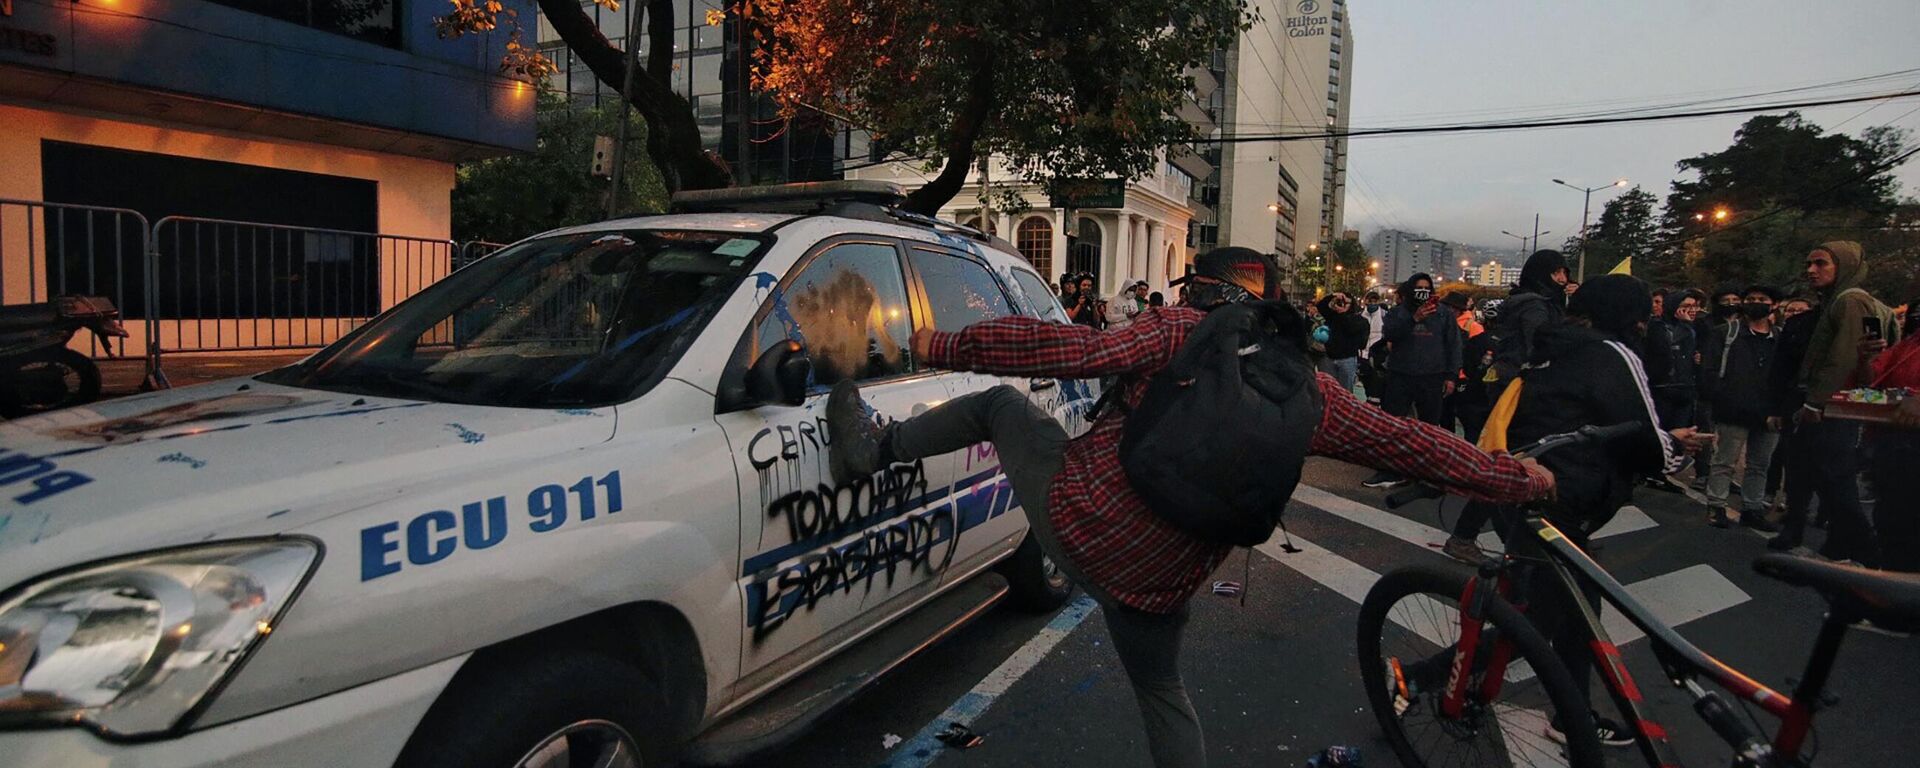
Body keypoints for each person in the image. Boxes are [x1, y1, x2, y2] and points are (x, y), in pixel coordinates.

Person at [825, 247, 1555, 768]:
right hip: (1157, 585)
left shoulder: (1178, 332)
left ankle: (872, 449)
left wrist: (943, 340)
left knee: (998, 407)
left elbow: (1065, 349)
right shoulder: (1316, 394)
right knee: (1163, 693)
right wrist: (1516, 477)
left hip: (1079, 524)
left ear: (1205, 294)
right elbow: (1413, 444)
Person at [1404, 275, 1705, 749]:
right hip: (1561, 497)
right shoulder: (1613, 352)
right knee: (1548, 614)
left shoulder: (1549, 347)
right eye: (1644, 313)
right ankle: (1420, 676)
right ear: (1627, 314)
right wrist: (1676, 450)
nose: (1649, 321)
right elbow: (1643, 434)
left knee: (1572, 609)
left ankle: (1572, 712)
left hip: (1526, 486)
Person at [1773, 242, 1900, 563]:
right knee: (1807, 472)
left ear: (1842, 266)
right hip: (1825, 403)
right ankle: (1823, 537)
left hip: (1832, 407)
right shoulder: (1836, 302)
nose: (1811, 270)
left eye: (1821, 264)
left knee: (1836, 480)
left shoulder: (1851, 300)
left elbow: (1842, 358)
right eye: (1809, 263)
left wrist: (1816, 403)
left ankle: (1866, 550)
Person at [1363, 273, 1463, 488]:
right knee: (1392, 426)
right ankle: (1388, 470)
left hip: (1432, 377)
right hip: (1400, 375)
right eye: (1419, 288)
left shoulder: (1443, 314)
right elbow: (1390, 334)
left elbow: (1454, 346)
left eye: (1427, 288)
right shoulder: (1398, 313)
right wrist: (1414, 318)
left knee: (1429, 429)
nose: (1423, 292)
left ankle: (1425, 473)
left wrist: (1451, 376)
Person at [1699, 285, 1784, 530]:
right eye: (1750, 299)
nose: (1755, 303)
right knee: (1725, 460)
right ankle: (1716, 505)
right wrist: (1719, 397)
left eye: (1762, 299)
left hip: (1768, 412)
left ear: (1774, 305)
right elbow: (1710, 371)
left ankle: (1752, 508)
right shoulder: (1726, 333)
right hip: (1733, 409)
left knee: (1759, 464)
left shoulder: (1780, 338)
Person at [1862, 297, 1920, 571]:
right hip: (1894, 452)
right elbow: (1868, 385)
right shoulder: (1907, 346)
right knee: (1892, 527)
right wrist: (1865, 358)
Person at [1318, 291, 1370, 393]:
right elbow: (1321, 306)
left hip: (1347, 359)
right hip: (1329, 357)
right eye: (1340, 302)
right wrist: (1333, 295)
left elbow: (1351, 329)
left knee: (1345, 391)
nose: (1342, 305)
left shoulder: (1359, 320)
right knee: (1327, 389)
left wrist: (1343, 314)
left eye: (1346, 303)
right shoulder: (1332, 316)